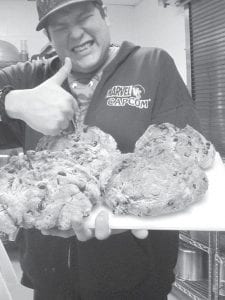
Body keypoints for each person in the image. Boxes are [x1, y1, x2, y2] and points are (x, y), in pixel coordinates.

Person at [0, 0, 201, 299]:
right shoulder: (29, 76)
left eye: (84, 17)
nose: (76, 33)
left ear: (105, 14)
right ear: (49, 38)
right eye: (61, 27)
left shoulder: (153, 64)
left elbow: (186, 158)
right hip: (51, 277)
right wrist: (12, 101)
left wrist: (131, 213)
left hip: (137, 275)